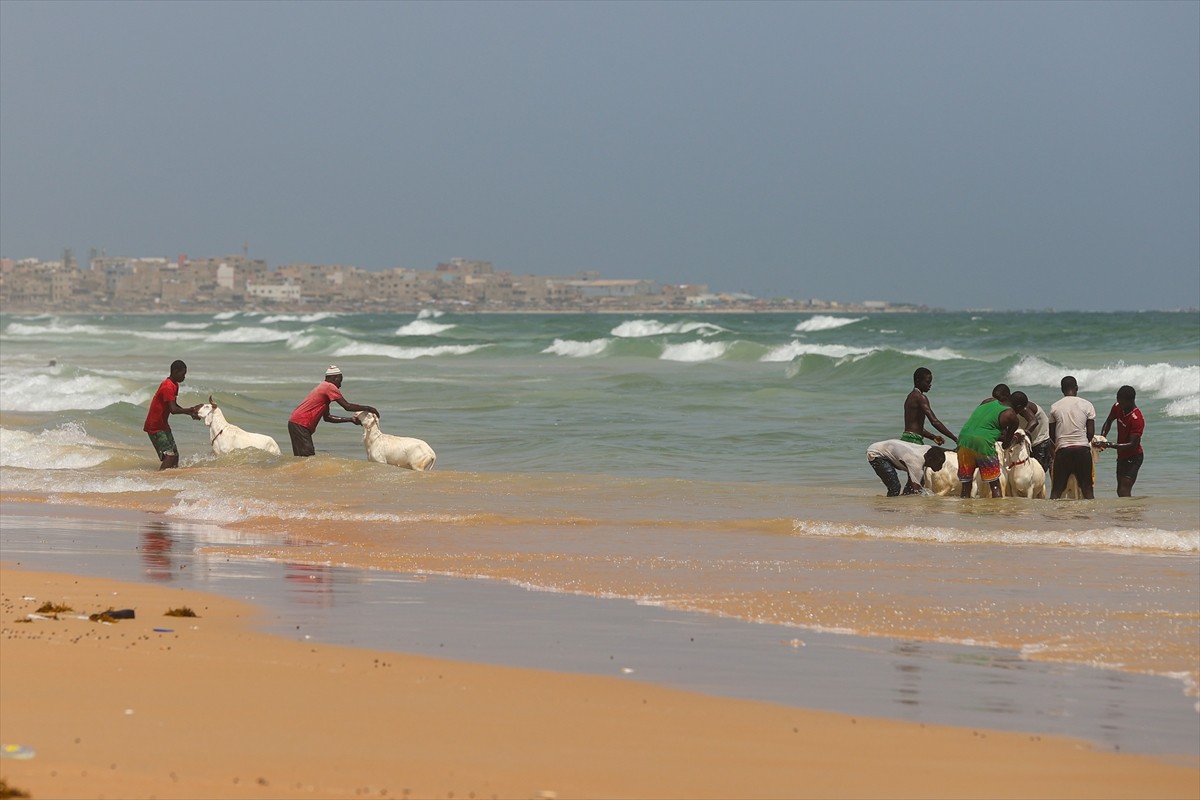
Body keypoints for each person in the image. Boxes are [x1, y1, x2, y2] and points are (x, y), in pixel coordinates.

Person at [287, 365, 380, 457]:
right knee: (308, 458)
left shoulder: (323, 389)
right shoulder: (329, 387)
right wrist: (369, 408)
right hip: (301, 423)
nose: (340, 385)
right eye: (340, 381)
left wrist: (350, 420)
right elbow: (347, 406)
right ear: (334, 378)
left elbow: (327, 418)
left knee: (301, 458)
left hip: (295, 422)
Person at [956, 393, 1023, 498]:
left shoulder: (988, 401)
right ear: (1019, 407)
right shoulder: (1012, 416)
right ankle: (996, 512)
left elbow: (982, 424)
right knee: (994, 484)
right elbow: (1006, 445)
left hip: (963, 440)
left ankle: (965, 512)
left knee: (966, 485)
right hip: (983, 444)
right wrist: (1016, 438)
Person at [143, 359, 201, 470]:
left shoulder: (174, 385)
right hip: (155, 427)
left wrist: (189, 412)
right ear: (175, 372)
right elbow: (173, 410)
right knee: (169, 457)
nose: (184, 377)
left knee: (175, 456)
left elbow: (173, 405)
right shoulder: (167, 386)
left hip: (163, 425)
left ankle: (170, 480)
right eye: (183, 374)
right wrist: (190, 409)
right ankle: (158, 480)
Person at [1049, 376, 1097, 500]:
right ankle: (1090, 516)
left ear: (1062, 389)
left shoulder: (1055, 407)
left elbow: (1052, 435)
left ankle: (1051, 518)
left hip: (1063, 451)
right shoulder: (1087, 405)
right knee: (1087, 489)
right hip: (1082, 451)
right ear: (1076, 388)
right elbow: (1091, 433)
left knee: (1057, 490)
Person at [1099, 385, 1144, 497]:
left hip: (1134, 457)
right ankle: (1127, 512)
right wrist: (1102, 437)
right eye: (1118, 401)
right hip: (1122, 456)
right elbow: (1108, 421)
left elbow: (1132, 445)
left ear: (1131, 401)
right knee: (1120, 490)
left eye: (1123, 403)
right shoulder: (1117, 407)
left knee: (1124, 489)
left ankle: (1131, 512)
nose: (1120, 405)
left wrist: (1109, 445)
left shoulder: (1137, 419)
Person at [866, 439, 947, 496]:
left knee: (911, 486)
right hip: (876, 453)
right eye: (938, 464)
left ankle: (899, 502)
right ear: (929, 459)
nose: (940, 468)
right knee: (895, 487)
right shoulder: (916, 463)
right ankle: (888, 509)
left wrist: (953, 450)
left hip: (887, 448)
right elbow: (917, 491)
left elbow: (939, 449)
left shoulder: (927, 449)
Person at [903, 367, 958, 446]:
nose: (930, 385)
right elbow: (934, 422)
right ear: (918, 380)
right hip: (914, 441)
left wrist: (933, 437)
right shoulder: (920, 397)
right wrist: (955, 438)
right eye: (927, 382)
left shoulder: (910, 397)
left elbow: (915, 428)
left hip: (906, 438)